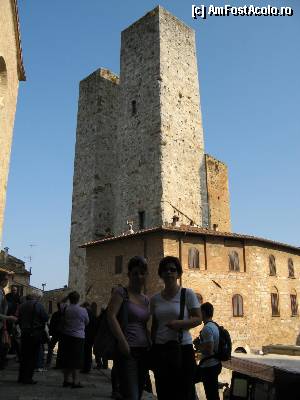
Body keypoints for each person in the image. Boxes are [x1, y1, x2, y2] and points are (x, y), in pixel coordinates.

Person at [150, 256, 202, 400]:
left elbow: (198, 318)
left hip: (182, 349)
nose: (169, 272)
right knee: (164, 391)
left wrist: (180, 324)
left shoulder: (187, 294)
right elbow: (155, 324)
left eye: (173, 270)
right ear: (160, 274)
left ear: (178, 274)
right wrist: (152, 346)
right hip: (160, 350)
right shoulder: (155, 299)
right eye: (165, 270)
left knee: (184, 393)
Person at [107, 256, 150, 400]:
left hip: (144, 350)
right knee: (131, 394)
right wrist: (122, 342)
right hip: (128, 350)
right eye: (135, 273)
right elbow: (111, 316)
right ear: (129, 275)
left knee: (137, 393)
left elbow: (143, 325)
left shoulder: (146, 299)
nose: (139, 276)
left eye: (142, 273)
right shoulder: (121, 293)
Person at [57, 291, 89, 388]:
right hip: (78, 337)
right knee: (76, 360)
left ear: (70, 299)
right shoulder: (83, 310)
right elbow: (87, 322)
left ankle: (66, 380)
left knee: (67, 359)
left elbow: (60, 302)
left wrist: (67, 296)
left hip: (66, 336)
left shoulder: (65, 308)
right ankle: (75, 381)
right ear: (78, 299)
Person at [17, 293, 48, 384]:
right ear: (35, 298)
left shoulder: (22, 306)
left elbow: (19, 318)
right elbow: (45, 317)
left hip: (24, 333)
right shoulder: (38, 305)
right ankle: (28, 378)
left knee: (24, 356)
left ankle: (21, 377)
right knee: (32, 357)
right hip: (34, 333)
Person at [195, 302, 222, 400]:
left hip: (209, 366)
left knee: (211, 395)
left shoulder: (207, 328)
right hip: (214, 364)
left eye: (200, 312)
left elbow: (209, 350)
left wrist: (198, 345)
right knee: (213, 394)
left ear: (203, 312)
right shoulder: (214, 326)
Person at [0, 273, 18, 369]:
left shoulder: (3, 292)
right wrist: (9, 318)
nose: (7, 282)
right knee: (4, 345)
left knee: (6, 343)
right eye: (6, 280)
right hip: (4, 321)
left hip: (4, 323)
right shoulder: (2, 294)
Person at [80, 302, 97, 373]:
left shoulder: (86, 312)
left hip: (86, 335)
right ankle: (87, 367)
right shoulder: (92, 313)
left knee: (86, 352)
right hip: (91, 335)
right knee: (88, 351)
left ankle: (86, 368)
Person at [46, 302, 62, 367]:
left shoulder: (55, 314)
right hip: (61, 333)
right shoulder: (64, 314)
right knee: (60, 348)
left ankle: (48, 362)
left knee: (50, 347)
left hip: (55, 333)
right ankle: (59, 363)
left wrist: (51, 332)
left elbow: (51, 324)